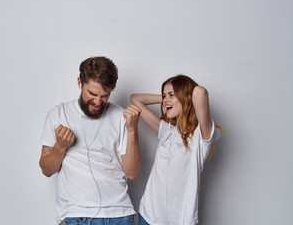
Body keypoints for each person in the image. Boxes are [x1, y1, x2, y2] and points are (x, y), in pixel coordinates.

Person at [39, 56, 142, 225]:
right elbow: (46, 169)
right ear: (80, 82)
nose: (97, 101)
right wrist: (60, 146)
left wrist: (132, 130)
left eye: (105, 95)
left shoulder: (121, 116)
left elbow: (132, 172)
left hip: (120, 215)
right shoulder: (58, 114)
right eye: (92, 93)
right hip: (77, 215)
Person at [131, 74, 221, 225]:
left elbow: (200, 92)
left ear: (186, 97)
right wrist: (168, 99)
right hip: (148, 217)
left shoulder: (201, 135)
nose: (165, 100)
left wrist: (181, 97)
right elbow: (135, 99)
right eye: (164, 95)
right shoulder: (166, 131)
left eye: (171, 95)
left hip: (180, 221)